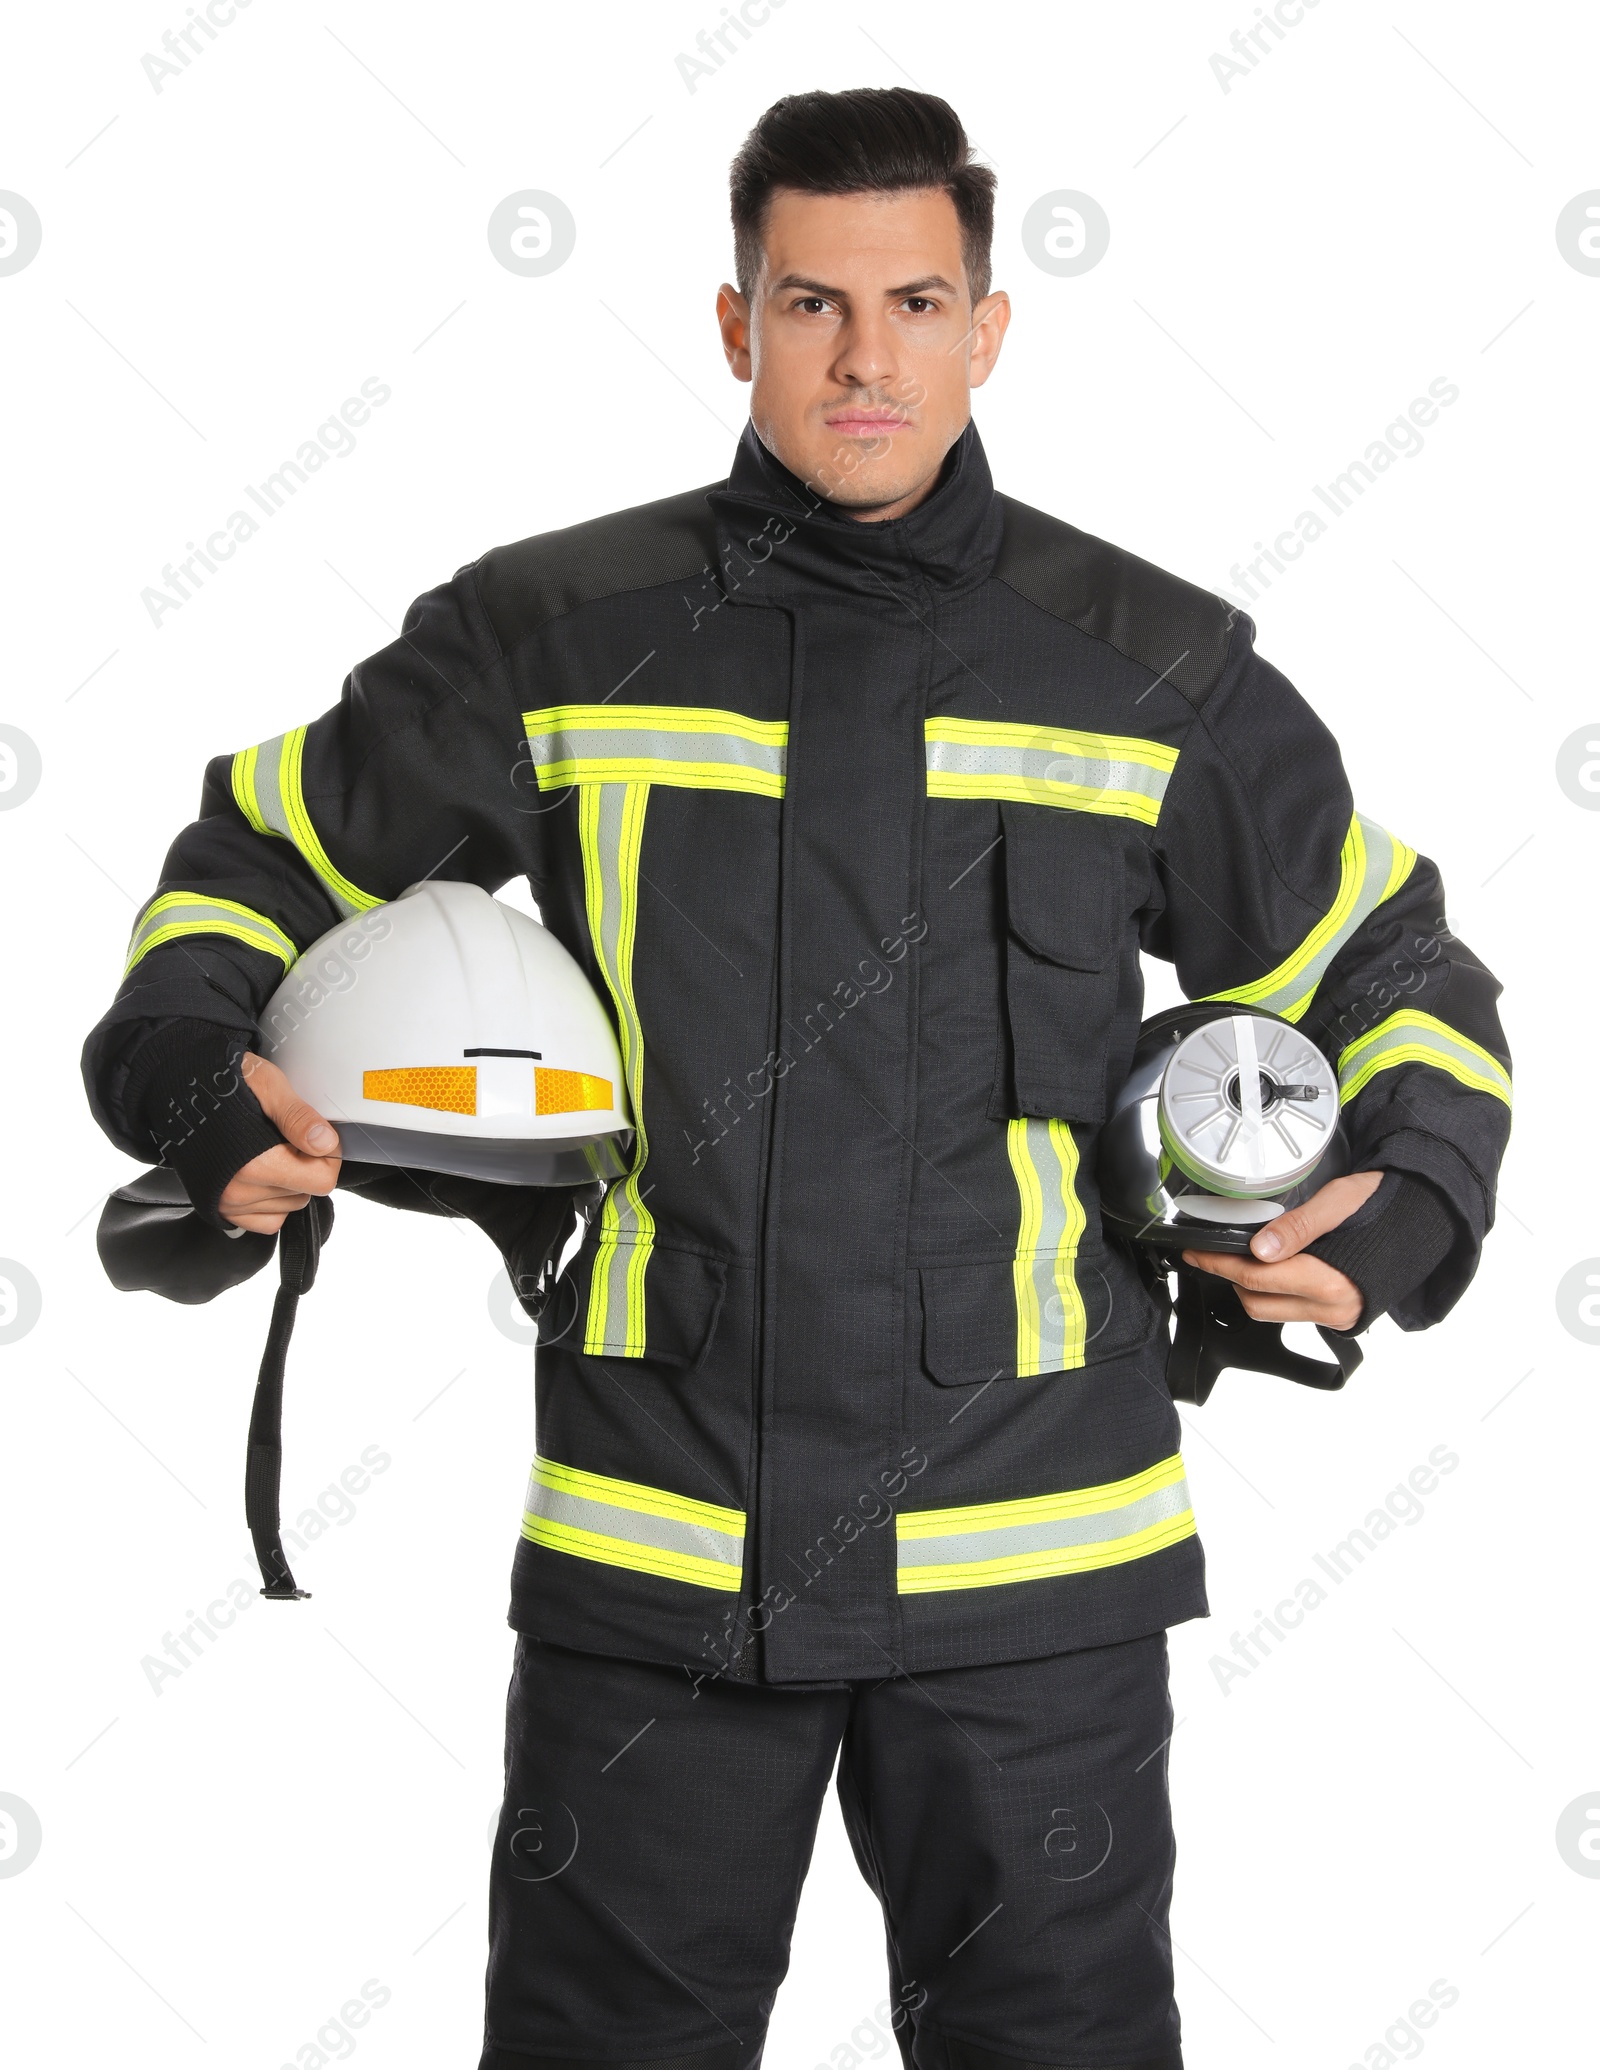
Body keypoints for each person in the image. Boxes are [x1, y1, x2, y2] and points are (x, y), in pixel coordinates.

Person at [83, 86, 1510, 2070]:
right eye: (810, 304)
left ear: (986, 327)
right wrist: (192, 1082)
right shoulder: (553, 641)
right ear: (734, 320)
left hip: (1036, 1597)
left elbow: (1386, 964)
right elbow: (254, 869)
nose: (864, 358)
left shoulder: (1143, 666)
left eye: (915, 302)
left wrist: (1408, 1204)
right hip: (655, 1584)